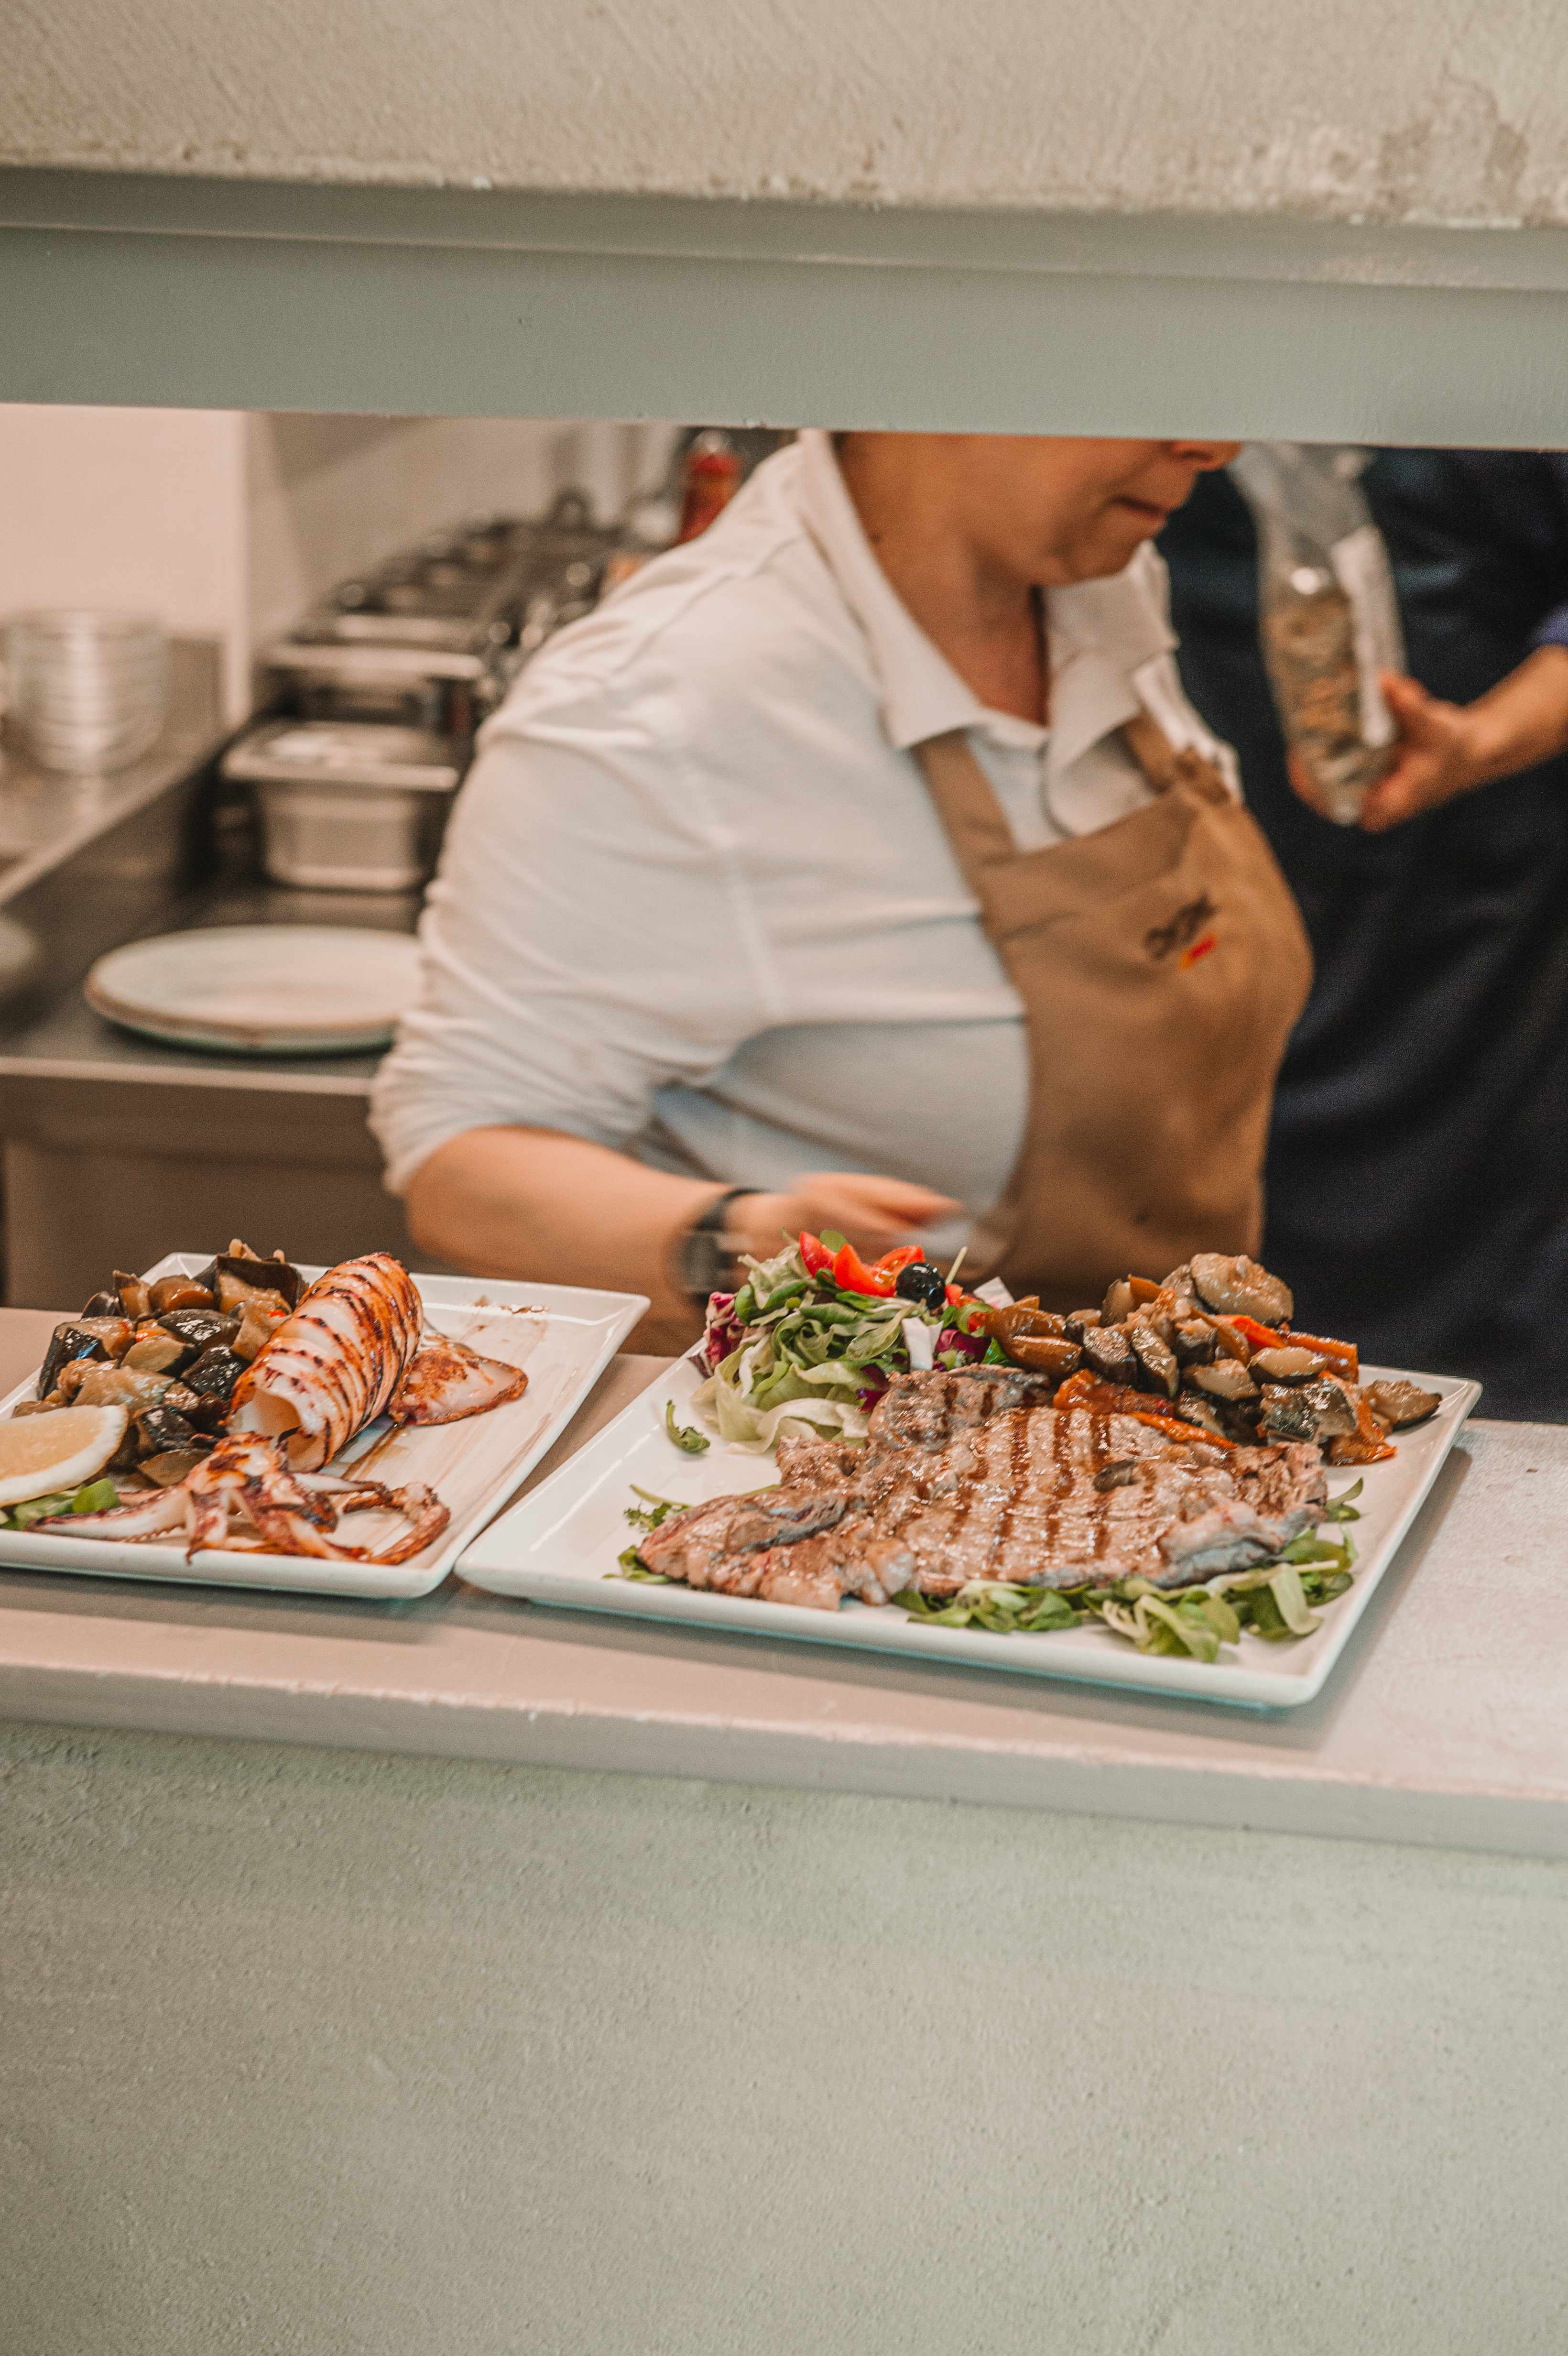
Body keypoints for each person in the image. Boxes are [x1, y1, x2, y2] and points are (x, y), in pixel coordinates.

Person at [372, 428, 1312, 1345]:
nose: (1212, 447)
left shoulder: (1098, 588)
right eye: (1148, 380)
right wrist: (738, 1242)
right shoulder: (661, 705)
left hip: (1153, 1420)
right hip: (845, 1459)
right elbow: (463, 1166)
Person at [1160, 451, 1568, 1416]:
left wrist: (1478, 743)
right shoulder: (1138, 372)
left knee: (1487, 1368)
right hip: (1203, 877)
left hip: (1478, 905)